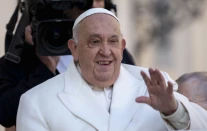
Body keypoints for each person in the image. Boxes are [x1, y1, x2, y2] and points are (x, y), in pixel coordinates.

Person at [16, 8, 207, 131]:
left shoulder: (152, 84)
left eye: (113, 41)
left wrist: (173, 110)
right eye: (94, 42)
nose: (105, 51)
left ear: (122, 46)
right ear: (74, 49)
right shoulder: (36, 102)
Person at [0, 0, 135, 130]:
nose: (93, 5)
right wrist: (43, 70)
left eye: (99, 0)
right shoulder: (20, 57)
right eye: (84, 2)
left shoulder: (113, 54)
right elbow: (6, 114)